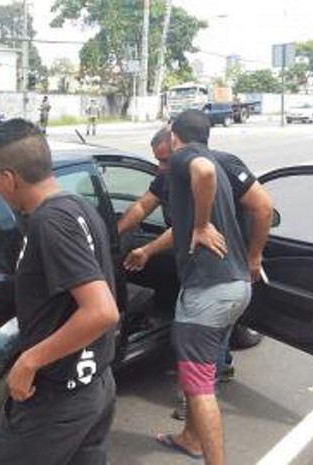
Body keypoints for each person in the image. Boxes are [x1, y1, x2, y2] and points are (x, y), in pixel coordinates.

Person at [0, 119, 119, 465]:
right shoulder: (80, 207)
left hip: (59, 397)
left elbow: (101, 312)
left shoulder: (50, 222)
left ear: (9, 178)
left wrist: (29, 360)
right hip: (94, 385)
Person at [119, 125, 273, 422]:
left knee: (201, 340)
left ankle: (199, 406)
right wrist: (112, 236)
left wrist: (255, 256)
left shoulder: (220, 165)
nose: (162, 168)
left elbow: (264, 207)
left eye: (166, 159)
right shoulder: (171, 174)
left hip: (219, 270)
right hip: (201, 268)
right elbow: (142, 207)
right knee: (218, 332)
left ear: (178, 145)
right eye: (158, 161)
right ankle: (222, 368)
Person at [154, 109, 254, 464]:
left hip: (208, 292)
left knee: (196, 387)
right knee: (205, 369)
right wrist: (147, 249)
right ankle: (190, 438)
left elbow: (204, 172)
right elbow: (180, 225)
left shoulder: (188, 158)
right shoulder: (213, 161)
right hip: (236, 285)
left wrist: (200, 224)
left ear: (174, 135)